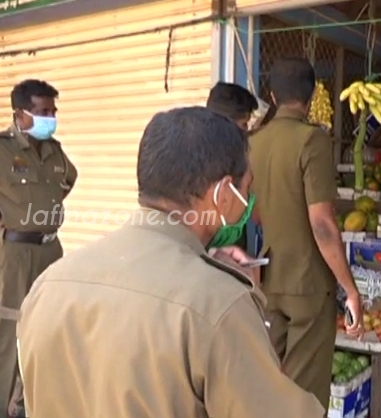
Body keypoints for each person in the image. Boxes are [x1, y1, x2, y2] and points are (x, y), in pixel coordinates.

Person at [16, 107, 325, 418]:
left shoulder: (48, 286)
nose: (250, 200)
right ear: (222, 194)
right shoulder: (218, 304)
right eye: (247, 188)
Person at [248, 56, 363, 410]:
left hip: (270, 277)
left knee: (268, 382)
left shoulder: (254, 142)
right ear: (311, 96)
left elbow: (254, 213)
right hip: (308, 284)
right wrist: (350, 288)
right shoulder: (312, 140)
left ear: (272, 94)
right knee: (305, 395)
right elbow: (323, 224)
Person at [0, 79, 77, 416]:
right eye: (43, 111)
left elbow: (67, 180)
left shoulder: (53, 150)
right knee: (8, 334)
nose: (51, 116)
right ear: (21, 114)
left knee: (46, 327)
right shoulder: (3, 150)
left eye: (53, 110)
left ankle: (28, 403)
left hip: (51, 251)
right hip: (16, 255)